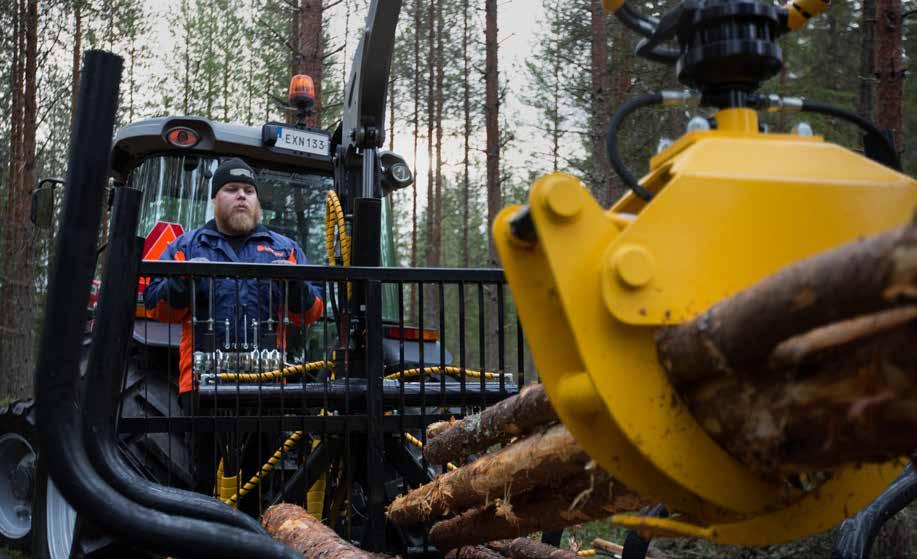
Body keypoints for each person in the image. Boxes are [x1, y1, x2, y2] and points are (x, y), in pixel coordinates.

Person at [143, 157, 324, 396]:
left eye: (249, 191)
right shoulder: (185, 249)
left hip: (268, 384)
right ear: (215, 199)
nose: (242, 195)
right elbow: (157, 310)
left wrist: (295, 285)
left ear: (257, 201)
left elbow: (310, 315)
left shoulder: (286, 250)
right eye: (231, 189)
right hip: (200, 385)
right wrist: (183, 280)